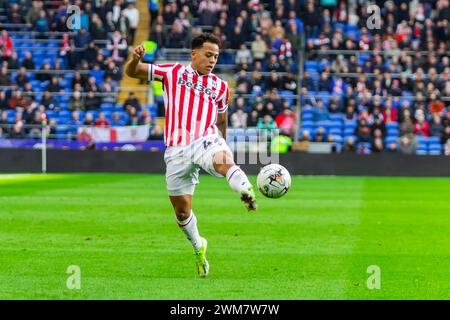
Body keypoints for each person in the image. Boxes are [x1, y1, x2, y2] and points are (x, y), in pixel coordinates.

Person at [125, 33, 257, 278]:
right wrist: (134, 59)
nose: (212, 61)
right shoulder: (172, 72)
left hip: (205, 138)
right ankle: (199, 247)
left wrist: (221, 144)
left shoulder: (220, 87)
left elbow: (221, 119)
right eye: (208, 55)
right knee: (182, 212)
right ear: (193, 54)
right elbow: (133, 72)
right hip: (176, 149)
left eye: (216, 57)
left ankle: (245, 189)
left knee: (223, 161)